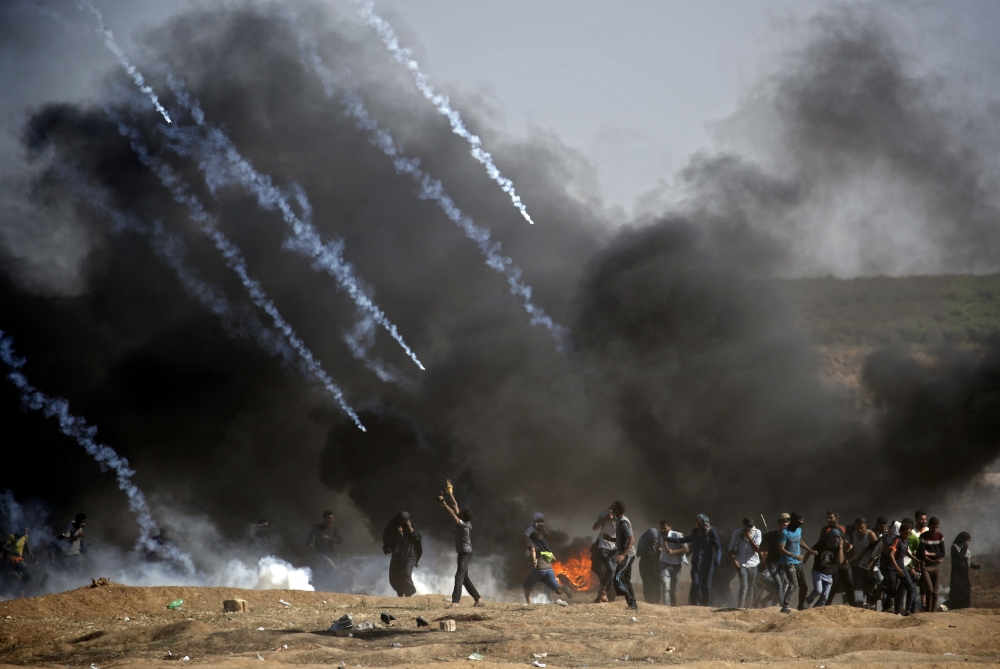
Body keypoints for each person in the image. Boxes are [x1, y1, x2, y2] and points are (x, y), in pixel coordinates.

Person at [439, 480, 484, 608]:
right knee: (464, 578)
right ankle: (478, 599)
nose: (459, 510)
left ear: (462, 516)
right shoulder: (462, 520)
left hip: (465, 553)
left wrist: (443, 504)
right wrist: (450, 491)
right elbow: (455, 504)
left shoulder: (463, 525)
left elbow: (452, 513)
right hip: (463, 552)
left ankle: (455, 602)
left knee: (459, 576)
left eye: (461, 511)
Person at [680, 514, 722, 607]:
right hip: (697, 563)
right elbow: (690, 547)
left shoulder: (711, 533)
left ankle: (707, 605)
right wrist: (682, 556)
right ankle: (695, 604)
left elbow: (718, 548)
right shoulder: (697, 534)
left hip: (708, 563)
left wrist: (717, 560)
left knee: (707, 586)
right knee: (696, 584)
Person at [779, 512, 814, 614]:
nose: (800, 524)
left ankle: (801, 606)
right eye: (799, 522)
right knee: (793, 584)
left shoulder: (799, 530)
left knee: (805, 585)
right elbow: (781, 549)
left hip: (798, 561)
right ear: (793, 521)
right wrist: (794, 556)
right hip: (788, 561)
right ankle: (784, 607)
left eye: (802, 522)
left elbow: (800, 541)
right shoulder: (784, 532)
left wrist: (809, 550)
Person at [522, 530, 571, 604]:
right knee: (557, 590)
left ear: (533, 539)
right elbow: (554, 559)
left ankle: (529, 603)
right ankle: (562, 589)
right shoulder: (546, 546)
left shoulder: (534, 544)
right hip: (549, 570)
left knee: (526, 585)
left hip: (539, 570)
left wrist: (534, 560)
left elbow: (533, 550)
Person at [819, 511, 855, 606]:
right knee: (833, 585)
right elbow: (820, 545)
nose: (829, 520)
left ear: (837, 517)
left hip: (843, 561)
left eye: (831, 517)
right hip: (832, 562)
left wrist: (847, 555)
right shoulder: (825, 530)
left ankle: (853, 606)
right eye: (827, 518)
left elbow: (847, 543)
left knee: (849, 583)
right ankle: (826, 605)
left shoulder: (843, 529)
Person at [754, 514, 790, 609]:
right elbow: (762, 547)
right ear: (779, 525)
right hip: (769, 567)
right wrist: (761, 552)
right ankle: (780, 605)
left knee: (782, 585)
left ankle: (775, 605)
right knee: (777, 585)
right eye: (784, 525)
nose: (786, 527)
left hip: (782, 565)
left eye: (787, 525)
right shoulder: (771, 536)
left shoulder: (789, 536)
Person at [884, 519, 918, 616]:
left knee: (911, 588)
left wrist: (916, 560)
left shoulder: (905, 541)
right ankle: (881, 588)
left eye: (909, 533)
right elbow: (891, 555)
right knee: (892, 592)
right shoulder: (897, 540)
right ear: (901, 532)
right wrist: (897, 569)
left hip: (902, 567)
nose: (908, 535)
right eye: (906, 533)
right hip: (893, 567)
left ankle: (908, 610)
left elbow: (906, 552)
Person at [383, 511, 422, 597]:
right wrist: (399, 534)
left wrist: (411, 529)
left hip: (410, 555)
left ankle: (410, 591)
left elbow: (417, 538)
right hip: (397, 555)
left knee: (406, 573)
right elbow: (390, 542)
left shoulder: (413, 526)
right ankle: (400, 592)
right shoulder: (394, 528)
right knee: (393, 577)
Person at [610, 500, 638, 610]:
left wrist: (622, 555)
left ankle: (631, 601)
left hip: (628, 555)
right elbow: (622, 538)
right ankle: (632, 604)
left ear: (617, 509)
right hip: (627, 554)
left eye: (613, 507)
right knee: (625, 580)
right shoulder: (619, 521)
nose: (611, 509)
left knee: (617, 578)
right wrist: (611, 539)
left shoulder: (623, 523)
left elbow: (631, 539)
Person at [805, 528, 844, 607]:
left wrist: (840, 547)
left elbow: (840, 561)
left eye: (837, 537)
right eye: (834, 537)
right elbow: (810, 551)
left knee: (825, 598)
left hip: (829, 574)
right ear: (829, 537)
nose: (835, 539)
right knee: (818, 591)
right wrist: (803, 563)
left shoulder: (837, 548)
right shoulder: (821, 544)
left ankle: (814, 611)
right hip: (818, 571)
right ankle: (807, 601)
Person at [728, 518, 762, 609]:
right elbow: (731, 548)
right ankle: (740, 607)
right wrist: (734, 560)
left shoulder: (757, 532)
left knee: (751, 586)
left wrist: (749, 537)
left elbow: (757, 549)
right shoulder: (737, 533)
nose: (750, 528)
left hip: (753, 563)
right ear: (744, 526)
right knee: (744, 586)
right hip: (741, 562)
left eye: (751, 526)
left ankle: (749, 607)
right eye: (748, 526)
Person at [942, 532, 979, 611]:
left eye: (969, 541)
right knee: (958, 590)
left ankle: (964, 606)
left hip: (964, 573)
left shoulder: (965, 548)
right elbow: (958, 559)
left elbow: (967, 560)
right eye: (966, 540)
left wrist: (973, 566)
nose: (967, 542)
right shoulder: (955, 547)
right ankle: (950, 606)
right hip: (957, 573)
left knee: (966, 589)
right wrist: (964, 549)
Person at [847, 517, 878, 608]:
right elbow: (854, 549)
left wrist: (872, 567)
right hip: (858, 564)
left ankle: (871, 607)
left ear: (866, 526)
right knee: (858, 584)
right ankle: (859, 606)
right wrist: (846, 558)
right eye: (857, 528)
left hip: (869, 566)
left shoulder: (870, 535)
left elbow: (877, 552)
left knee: (870, 589)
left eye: (862, 528)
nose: (859, 530)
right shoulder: (854, 534)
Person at [657, 519, 688, 607]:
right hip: (664, 565)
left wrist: (673, 552)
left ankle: (673, 606)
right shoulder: (660, 535)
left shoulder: (677, 535)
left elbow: (686, 549)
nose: (663, 530)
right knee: (666, 588)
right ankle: (667, 607)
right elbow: (658, 546)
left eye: (665, 528)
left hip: (676, 566)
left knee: (673, 590)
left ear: (670, 527)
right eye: (661, 528)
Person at [592, 504, 620, 603]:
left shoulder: (621, 519)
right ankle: (603, 595)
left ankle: (605, 596)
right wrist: (606, 518)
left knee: (612, 575)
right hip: (603, 548)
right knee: (604, 572)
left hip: (615, 549)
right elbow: (595, 527)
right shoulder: (604, 515)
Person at [917, 517, 944, 613]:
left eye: (937, 527)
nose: (935, 529)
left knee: (935, 592)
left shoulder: (940, 536)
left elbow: (942, 553)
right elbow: (922, 554)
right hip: (926, 567)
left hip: (935, 567)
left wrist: (930, 554)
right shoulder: (924, 537)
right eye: (933, 527)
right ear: (929, 526)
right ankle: (928, 611)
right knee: (929, 589)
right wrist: (933, 560)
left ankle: (933, 612)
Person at [306, 511, 343, 580]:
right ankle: (341, 578)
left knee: (328, 572)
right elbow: (310, 535)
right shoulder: (317, 527)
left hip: (330, 553)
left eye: (332, 518)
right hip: (320, 553)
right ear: (324, 518)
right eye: (329, 518)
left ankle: (315, 577)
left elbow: (340, 540)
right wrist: (309, 543)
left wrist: (329, 538)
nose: (330, 520)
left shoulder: (334, 528)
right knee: (333, 568)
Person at [1, 526, 34, 598]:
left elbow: (26, 544)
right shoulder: (12, 536)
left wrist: (30, 554)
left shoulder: (25, 536)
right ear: (19, 530)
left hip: (18, 560)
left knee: (28, 575)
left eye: (27, 531)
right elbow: (2, 546)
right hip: (8, 561)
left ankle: (18, 592)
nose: (25, 533)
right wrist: (12, 552)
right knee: (8, 580)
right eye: (24, 531)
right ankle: (4, 597)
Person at [636, 526, 662, 604]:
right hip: (645, 566)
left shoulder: (660, 542)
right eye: (652, 540)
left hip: (656, 566)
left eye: (655, 540)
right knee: (648, 583)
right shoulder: (643, 543)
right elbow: (639, 553)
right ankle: (649, 600)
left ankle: (657, 600)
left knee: (658, 582)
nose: (654, 541)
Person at [910, 510, 928, 611]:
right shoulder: (912, 532)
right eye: (921, 519)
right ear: (916, 519)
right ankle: (911, 607)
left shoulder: (928, 531)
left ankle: (923, 607)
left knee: (924, 586)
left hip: (925, 562)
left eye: (925, 519)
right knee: (913, 586)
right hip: (914, 563)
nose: (923, 521)